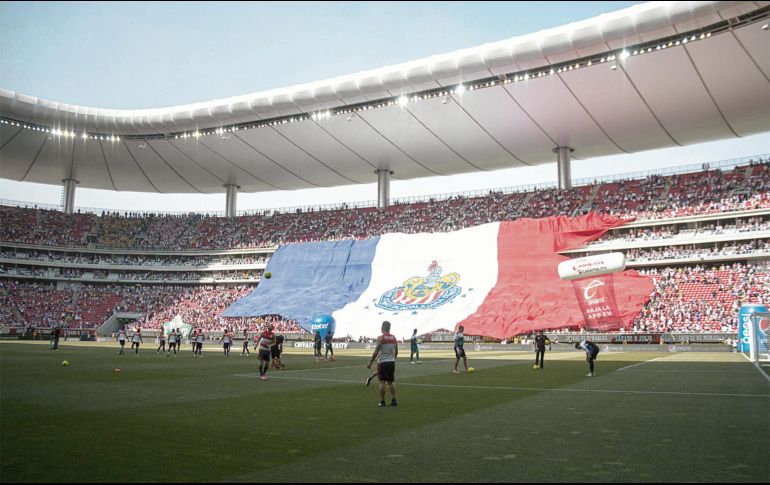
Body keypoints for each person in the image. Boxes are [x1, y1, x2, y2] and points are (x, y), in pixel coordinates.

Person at [366, 321, 398, 407]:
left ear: (382, 328)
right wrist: (393, 359)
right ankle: (394, 400)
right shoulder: (394, 338)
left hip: (382, 362)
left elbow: (376, 351)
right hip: (391, 362)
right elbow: (397, 351)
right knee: (391, 382)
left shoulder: (380, 338)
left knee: (382, 382)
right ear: (389, 328)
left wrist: (370, 362)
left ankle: (382, 401)